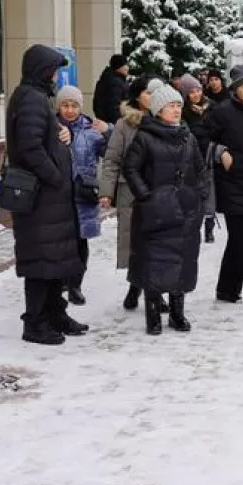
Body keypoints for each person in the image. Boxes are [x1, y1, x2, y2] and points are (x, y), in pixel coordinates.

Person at [5, 45, 89, 345]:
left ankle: (56, 313)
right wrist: (55, 176)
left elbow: (43, 137)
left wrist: (60, 134)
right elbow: (30, 148)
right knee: (41, 262)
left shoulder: (37, 98)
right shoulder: (30, 99)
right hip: (42, 197)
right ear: (41, 70)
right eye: (53, 70)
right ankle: (35, 323)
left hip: (51, 200)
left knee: (56, 260)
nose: (56, 76)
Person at [123, 84, 206, 334]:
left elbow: (200, 170)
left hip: (186, 211)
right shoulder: (145, 136)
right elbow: (131, 168)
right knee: (154, 263)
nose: (176, 110)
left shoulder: (187, 136)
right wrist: (147, 196)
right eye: (171, 106)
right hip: (155, 213)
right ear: (159, 110)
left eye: (179, 105)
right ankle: (153, 316)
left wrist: (199, 196)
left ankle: (177, 313)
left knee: (182, 262)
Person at [203, 64, 243, 305]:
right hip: (231, 184)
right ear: (235, 88)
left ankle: (227, 289)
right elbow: (200, 137)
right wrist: (220, 152)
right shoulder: (222, 112)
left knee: (239, 240)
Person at [99, 77, 153, 311]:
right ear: (138, 95)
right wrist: (106, 192)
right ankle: (135, 285)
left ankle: (154, 290)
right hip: (128, 190)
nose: (152, 96)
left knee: (156, 242)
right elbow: (112, 160)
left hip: (156, 189)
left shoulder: (166, 120)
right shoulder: (124, 124)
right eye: (148, 92)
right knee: (133, 241)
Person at [54, 85, 110, 306]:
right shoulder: (51, 127)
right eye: (65, 105)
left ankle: (75, 284)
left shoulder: (91, 129)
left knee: (80, 240)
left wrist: (108, 131)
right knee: (59, 240)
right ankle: (59, 281)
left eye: (74, 105)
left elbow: (111, 151)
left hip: (83, 194)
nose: (69, 110)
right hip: (58, 193)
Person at [180, 73, 217, 243]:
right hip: (191, 158)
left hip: (208, 154)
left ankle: (209, 228)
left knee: (209, 193)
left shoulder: (212, 107)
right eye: (192, 92)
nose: (196, 95)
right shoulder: (182, 111)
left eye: (198, 91)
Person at [92, 53, 130, 125]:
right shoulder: (116, 83)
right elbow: (114, 107)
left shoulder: (106, 78)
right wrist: (120, 125)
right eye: (125, 65)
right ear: (119, 66)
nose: (127, 68)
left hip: (104, 122)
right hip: (114, 124)